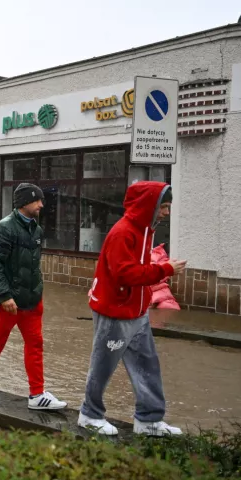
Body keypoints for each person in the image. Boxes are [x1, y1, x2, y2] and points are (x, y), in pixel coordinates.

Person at [78, 182, 186, 437]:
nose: (167, 212)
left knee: (147, 365)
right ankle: (89, 415)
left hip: (137, 313)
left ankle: (148, 421)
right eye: (164, 206)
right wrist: (165, 269)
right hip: (115, 313)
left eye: (169, 207)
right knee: (102, 366)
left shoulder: (145, 231)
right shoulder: (123, 232)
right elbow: (124, 274)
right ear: (149, 206)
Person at [0, 183, 67, 410]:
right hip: (7, 302)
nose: (41, 205)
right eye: (37, 201)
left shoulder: (36, 230)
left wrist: (38, 293)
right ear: (24, 202)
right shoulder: (3, 229)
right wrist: (4, 296)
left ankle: (37, 395)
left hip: (32, 301)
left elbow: (33, 266)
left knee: (35, 345)